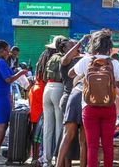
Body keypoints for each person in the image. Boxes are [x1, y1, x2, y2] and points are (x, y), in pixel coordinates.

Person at [69, 29, 119, 167]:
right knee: (107, 145)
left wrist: (85, 75)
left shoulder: (87, 60)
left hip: (89, 107)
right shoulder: (113, 63)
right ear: (109, 46)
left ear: (93, 45)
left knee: (92, 146)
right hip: (108, 107)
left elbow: (71, 74)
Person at [0, 40, 27, 165]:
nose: (9, 51)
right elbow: (8, 79)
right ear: (2, 50)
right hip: (0, 95)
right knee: (2, 126)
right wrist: (20, 73)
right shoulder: (1, 62)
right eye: (8, 49)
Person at [56, 37, 88, 167]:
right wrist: (80, 42)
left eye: (76, 45)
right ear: (65, 49)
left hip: (83, 99)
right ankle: (65, 164)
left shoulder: (81, 60)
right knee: (68, 136)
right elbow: (66, 58)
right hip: (70, 99)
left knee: (80, 139)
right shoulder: (65, 62)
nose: (76, 47)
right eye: (72, 45)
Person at [42, 36, 69, 167]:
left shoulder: (51, 57)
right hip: (59, 88)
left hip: (47, 88)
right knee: (60, 126)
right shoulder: (65, 58)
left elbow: (43, 76)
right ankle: (58, 159)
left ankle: (46, 160)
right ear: (63, 47)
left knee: (48, 127)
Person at [29, 47, 56, 164]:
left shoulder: (42, 60)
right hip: (43, 92)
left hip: (36, 90)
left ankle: (35, 157)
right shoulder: (52, 62)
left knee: (36, 127)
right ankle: (39, 157)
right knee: (42, 128)